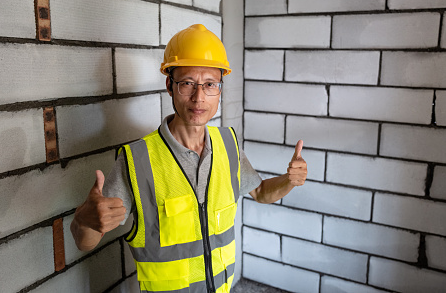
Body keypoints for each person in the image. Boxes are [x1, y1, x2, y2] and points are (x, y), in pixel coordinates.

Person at [71, 24, 307, 293]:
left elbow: (261, 192)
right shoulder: (137, 161)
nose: (199, 97)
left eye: (210, 84)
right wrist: (84, 220)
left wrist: (289, 181)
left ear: (220, 89)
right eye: (187, 84)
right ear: (169, 86)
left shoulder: (228, 145)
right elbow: (85, 242)